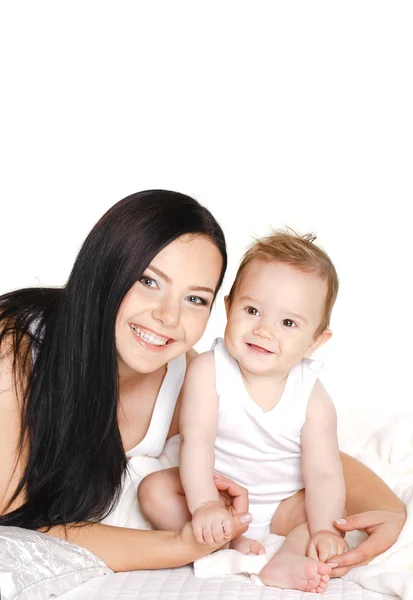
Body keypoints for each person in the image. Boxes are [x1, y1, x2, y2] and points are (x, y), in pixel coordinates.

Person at [0, 191, 406, 576]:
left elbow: (298, 451)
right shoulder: (16, 347)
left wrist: (389, 510)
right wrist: (184, 545)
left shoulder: (183, 376)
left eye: (195, 299)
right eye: (148, 280)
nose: (168, 316)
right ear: (105, 267)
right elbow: (15, 517)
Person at [139, 230, 347, 592]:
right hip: (218, 495)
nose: (264, 330)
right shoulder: (209, 370)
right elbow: (196, 442)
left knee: (322, 518)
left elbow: (324, 474)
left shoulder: (312, 397)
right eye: (252, 310)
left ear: (315, 340)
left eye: (288, 323)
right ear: (228, 307)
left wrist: (327, 529)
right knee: (154, 490)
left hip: (283, 504)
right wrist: (205, 505)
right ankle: (227, 540)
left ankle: (284, 562)